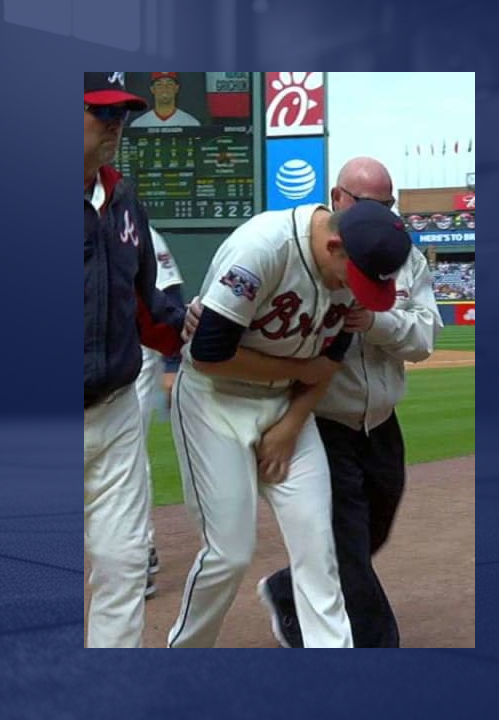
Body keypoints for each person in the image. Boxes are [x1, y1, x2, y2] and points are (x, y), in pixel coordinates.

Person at [167, 199, 411, 648]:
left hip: (287, 405)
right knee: (228, 555)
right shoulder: (263, 248)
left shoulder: (350, 267)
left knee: (321, 553)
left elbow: (329, 361)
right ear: (334, 245)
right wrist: (299, 371)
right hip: (214, 404)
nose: (353, 290)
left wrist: (292, 423)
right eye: (353, 278)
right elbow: (208, 355)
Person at [260, 157, 442, 647]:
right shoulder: (307, 252)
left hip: (381, 422)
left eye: (388, 204)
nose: (382, 214)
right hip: (323, 422)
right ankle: (377, 647)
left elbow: (425, 338)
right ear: (338, 198)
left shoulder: (404, 256)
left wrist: (377, 321)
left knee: (373, 533)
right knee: (349, 548)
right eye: (368, 204)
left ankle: (288, 588)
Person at [84, 72, 186, 648]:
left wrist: (205, 337)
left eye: (121, 114)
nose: (115, 125)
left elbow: (150, 306)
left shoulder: (123, 200)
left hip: (117, 408)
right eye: (102, 113)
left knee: (123, 569)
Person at [132, 226, 186, 599]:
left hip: (132, 350)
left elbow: (169, 293)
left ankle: (138, 550)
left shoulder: (133, 226)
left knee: (125, 452)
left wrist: (172, 362)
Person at [130, 73, 201, 128]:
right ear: (152, 89)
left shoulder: (191, 123)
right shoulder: (138, 124)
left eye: (169, 84)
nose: (164, 88)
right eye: (159, 84)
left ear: (176, 88)